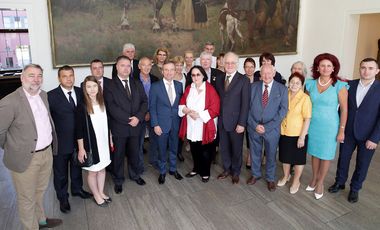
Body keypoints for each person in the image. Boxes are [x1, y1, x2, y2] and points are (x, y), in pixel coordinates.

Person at [0, 64, 62, 229]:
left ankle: (41, 220)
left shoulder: (43, 95)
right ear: (22, 78)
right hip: (26, 157)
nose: (36, 79)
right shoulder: (9, 101)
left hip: (46, 153)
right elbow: (0, 132)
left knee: (40, 191)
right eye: (31, 75)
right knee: (26, 198)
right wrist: (13, 148)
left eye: (39, 76)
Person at [328, 58, 380, 203]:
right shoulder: (349, 85)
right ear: (359, 68)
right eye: (363, 67)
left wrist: (375, 138)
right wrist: (340, 129)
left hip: (368, 135)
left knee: (362, 163)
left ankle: (355, 189)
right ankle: (340, 182)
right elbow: (342, 108)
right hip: (348, 131)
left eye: (370, 68)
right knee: (343, 158)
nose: (366, 71)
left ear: (377, 71)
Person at [48, 65, 92, 214]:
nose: (68, 79)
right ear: (59, 78)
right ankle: (62, 198)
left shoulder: (81, 92)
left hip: (79, 140)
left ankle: (77, 189)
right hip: (60, 142)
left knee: (77, 166)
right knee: (60, 173)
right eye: (65, 76)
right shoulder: (51, 96)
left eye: (71, 75)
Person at [305, 53, 348, 200]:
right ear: (317, 67)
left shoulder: (340, 85)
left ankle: (320, 183)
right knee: (315, 153)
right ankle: (314, 178)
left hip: (330, 127)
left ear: (333, 68)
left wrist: (341, 130)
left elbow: (344, 109)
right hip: (313, 125)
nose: (325, 68)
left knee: (326, 155)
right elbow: (305, 105)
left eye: (329, 65)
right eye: (322, 65)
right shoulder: (310, 83)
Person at [104, 56, 148, 193]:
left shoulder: (137, 83)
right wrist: (130, 119)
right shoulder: (109, 85)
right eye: (122, 65)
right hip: (120, 128)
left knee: (135, 153)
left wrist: (138, 118)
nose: (126, 68)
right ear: (117, 67)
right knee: (118, 155)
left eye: (128, 66)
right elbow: (111, 107)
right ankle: (118, 179)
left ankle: (135, 175)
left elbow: (144, 102)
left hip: (136, 127)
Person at [247, 64, 288, 191]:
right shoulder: (252, 87)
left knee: (271, 154)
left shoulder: (282, 89)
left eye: (269, 73)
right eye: (263, 73)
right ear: (260, 74)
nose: (266, 76)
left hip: (272, 129)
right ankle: (255, 174)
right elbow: (246, 108)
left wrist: (267, 127)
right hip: (254, 127)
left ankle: (270, 178)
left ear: (274, 73)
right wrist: (255, 125)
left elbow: (283, 111)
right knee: (255, 152)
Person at [179, 66, 220, 182]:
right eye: (193, 75)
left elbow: (215, 108)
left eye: (198, 74)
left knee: (206, 151)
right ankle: (196, 168)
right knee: (194, 149)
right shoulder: (189, 89)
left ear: (203, 76)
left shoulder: (210, 89)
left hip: (204, 125)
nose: (195, 77)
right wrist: (186, 110)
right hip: (192, 125)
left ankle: (205, 172)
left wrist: (199, 115)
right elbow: (182, 104)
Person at [215, 52, 250, 184]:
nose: (229, 65)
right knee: (224, 147)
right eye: (227, 62)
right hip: (222, 121)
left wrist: (242, 123)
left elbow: (246, 104)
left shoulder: (244, 80)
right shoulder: (219, 78)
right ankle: (227, 169)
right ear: (223, 63)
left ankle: (235, 172)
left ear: (237, 64)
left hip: (237, 123)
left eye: (232, 63)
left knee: (236, 149)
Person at [76, 76, 112, 207]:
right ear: (85, 89)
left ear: (99, 87)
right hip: (91, 144)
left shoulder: (103, 102)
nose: (92, 89)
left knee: (102, 169)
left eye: (94, 86)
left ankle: (101, 192)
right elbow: (78, 130)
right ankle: (96, 195)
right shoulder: (82, 106)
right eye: (89, 87)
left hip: (103, 142)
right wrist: (81, 148)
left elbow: (107, 124)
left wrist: (111, 139)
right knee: (93, 171)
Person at [149, 62, 184, 184]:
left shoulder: (179, 85)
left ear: (175, 71)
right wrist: (155, 124)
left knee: (174, 147)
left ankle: (173, 169)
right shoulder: (155, 86)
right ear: (162, 71)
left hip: (175, 123)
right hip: (161, 124)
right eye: (166, 70)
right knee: (162, 149)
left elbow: (181, 105)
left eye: (172, 70)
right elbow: (152, 107)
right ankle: (162, 171)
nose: (169, 72)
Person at [277, 72, 311, 194]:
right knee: (285, 158)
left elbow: (307, 118)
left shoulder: (305, 98)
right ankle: (286, 176)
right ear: (288, 83)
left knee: (298, 159)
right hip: (284, 131)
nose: (294, 85)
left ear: (302, 85)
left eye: (297, 83)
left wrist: (302, 137)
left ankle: (296, 180)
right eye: (292, 82)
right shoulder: (284, 94)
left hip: (298, 134)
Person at [135, 57, 159, 169]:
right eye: (143, 65)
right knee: (138, 142)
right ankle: (139, 165)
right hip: (139, 115)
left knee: (154, 139)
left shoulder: (155, 79)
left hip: (153, 114)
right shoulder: (133, 80)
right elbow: (133, 101)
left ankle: (153, 160)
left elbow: (157, 98)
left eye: (149, 65)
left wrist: (150, 112)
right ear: (139, 66)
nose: (146, 67)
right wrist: (143, 113)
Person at [172, 55, 187, 162]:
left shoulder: (185, 76)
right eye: (176, 65)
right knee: (173, 131)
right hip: (173, 109)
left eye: (181, 65)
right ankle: (171, 151)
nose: (178, 67)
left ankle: (178, 151)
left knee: (182, 132)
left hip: (183, 108)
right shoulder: (170, 77)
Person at [243, 57, 256, 169]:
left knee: (251, 136)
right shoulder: (240, 80)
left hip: (254, 113)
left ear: (254, 68)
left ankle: (250, 157)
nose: (249, 69)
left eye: (251, 67)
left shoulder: (259, 80)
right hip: (242, 112)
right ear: (244, 68)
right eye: (247, 67)